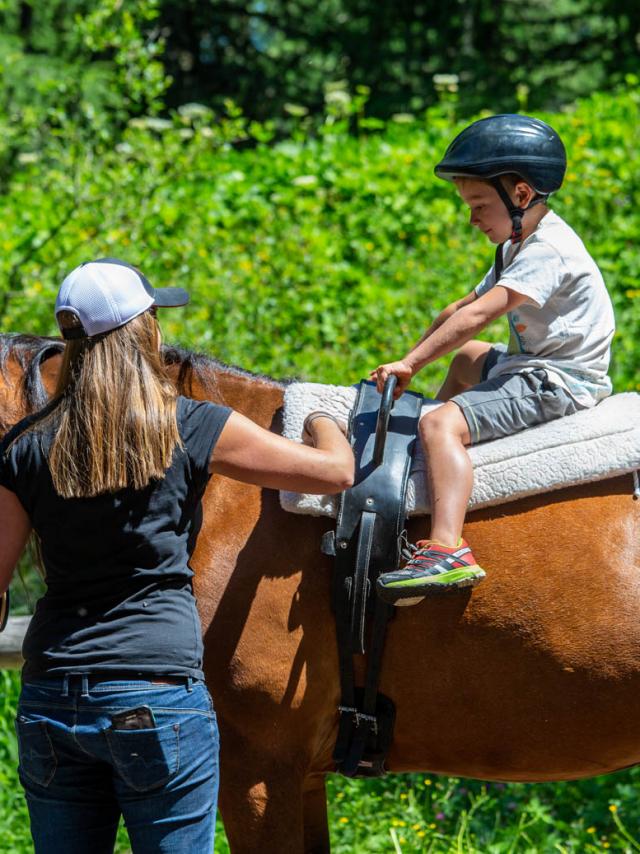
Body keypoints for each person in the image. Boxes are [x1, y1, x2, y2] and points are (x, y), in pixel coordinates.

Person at [0, 258, 354, 854]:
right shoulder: (190, 426)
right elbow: (335, 474)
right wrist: (321, 416)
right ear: (148, 331)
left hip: (51, 700)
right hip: (157, 696)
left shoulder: (25, 446)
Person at [372, 114, 615, 604]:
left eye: (479, 204)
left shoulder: (550, 249)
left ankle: (447, 549)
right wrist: (407, 358)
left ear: (521, 196)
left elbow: (483, 312)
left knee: (442, 426)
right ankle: (419, 434)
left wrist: (412, 366)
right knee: (465, 359)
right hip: (531, 363)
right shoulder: (516, 243)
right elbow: (460, 309)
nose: (472, 218)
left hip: (559, 380)